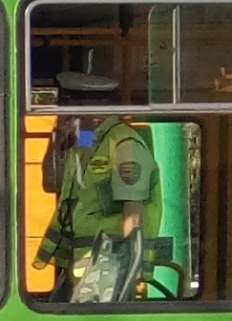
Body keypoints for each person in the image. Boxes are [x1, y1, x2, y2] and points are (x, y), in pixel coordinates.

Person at [36, 71, 156, 299]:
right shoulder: (89, 139)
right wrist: (57, 142)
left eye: (68, 112)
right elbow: (51, 183)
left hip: (109, 274)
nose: (63, 118)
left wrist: (129, 269)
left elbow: (133, 212)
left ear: (91, 110)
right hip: (87, 266)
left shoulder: (124, 144)